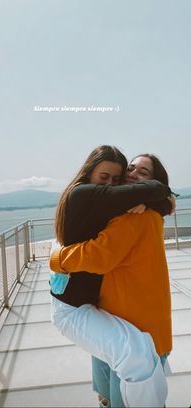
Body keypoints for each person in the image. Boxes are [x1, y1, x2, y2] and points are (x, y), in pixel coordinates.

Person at [49, 145, 173, 407]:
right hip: (117, 316)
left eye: (142, 171)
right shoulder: (87, 196)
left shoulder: (133, 215)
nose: (131, 174)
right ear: (89, 172)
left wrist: (58, 257)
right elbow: (157, 193)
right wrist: (58, 259)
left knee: (120, 393)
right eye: (131, 169)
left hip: (126, 319)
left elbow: (101, 257)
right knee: (132, 386)